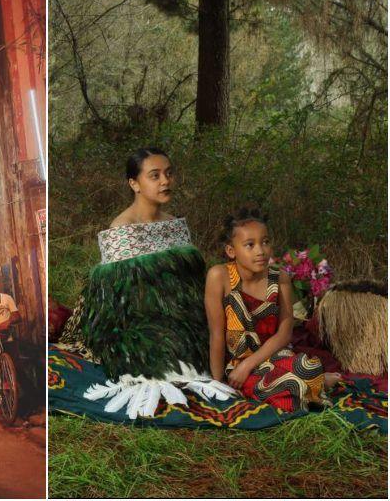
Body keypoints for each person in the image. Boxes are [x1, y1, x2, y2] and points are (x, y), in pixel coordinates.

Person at [71, 148, 236, 419]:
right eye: (155, 176)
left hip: (185, 314)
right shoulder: (120, 230)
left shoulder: (175, 224)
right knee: (174, 363)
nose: (165, 181)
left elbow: (191, 284)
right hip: (140, 321)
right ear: (134, 184)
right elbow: (119, 301)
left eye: (169, 174)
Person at [204, 209, 340, 412]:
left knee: (306, 366)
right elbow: (216, 334)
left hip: (272, 356)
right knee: (289, 384)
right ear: (231, 251)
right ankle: (316, 383)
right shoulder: (219, 276)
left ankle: (314, 380)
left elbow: (285, 333)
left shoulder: (280, 278)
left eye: (265, 242)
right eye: (250, 245)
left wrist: (248, 365)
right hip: (237, 363)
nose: (260, 251)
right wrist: (218, 382)